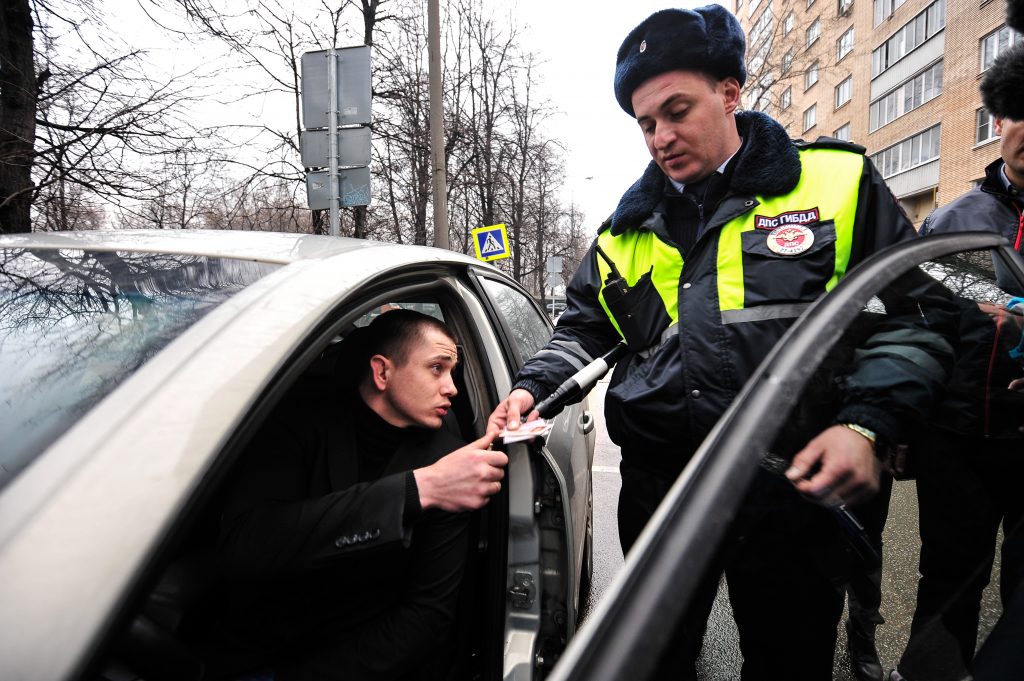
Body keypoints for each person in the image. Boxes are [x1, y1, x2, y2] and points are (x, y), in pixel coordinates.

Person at [489, 6, 952, 679]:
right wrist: (534, 388)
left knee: (787, 661)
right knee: (655, 659)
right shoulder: (625, 230)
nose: (659, 136)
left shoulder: (834, 184)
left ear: (730, 92)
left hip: (789, 488)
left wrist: (865, 423)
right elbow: (586, 327)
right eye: (646, 123)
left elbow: (921, 313)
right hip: (661, 489)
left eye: (676, 110)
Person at [209, 309, 507, 680]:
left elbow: (427, 615)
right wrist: (415, 492)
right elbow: (245, 547)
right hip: (254, 648)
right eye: (436, 368)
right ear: (382, 372)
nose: (452, 387)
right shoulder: (297, 425)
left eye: (452, 371)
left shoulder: (453, 463)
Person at [891, 42, 1024, 681]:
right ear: (998, 120)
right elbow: (918, 328)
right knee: (948, 583)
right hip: (959, 444)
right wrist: (903, 428)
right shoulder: (956, 222)